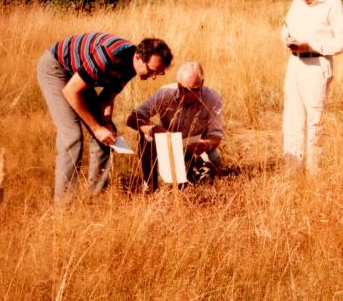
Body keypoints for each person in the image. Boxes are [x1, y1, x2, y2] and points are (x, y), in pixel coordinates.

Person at [36, 33, 173, 202]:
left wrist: (106, 123)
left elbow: (107, 97)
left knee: (107, 136)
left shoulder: (131, 67)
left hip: (78, 79)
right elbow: (71, 91)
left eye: (157, 74)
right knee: (72, 135)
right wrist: (96, 128)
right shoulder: (109, 54)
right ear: (138, 57)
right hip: (56, 68)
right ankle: (64, 207)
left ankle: (95, 198)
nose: (152, 77)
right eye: (151, 71)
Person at [281, 0, 343, 174]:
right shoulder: (297, 2)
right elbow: (286, 26)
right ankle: (292, 171)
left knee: (314, 121)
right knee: (292, 119)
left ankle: (314, 173)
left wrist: (311, 46)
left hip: (317, 65)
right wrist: (286, 39)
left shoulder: (333, 4)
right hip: (295, 64)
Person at [127, 61, 223, 192]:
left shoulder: (212, 98)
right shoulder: (166, 93)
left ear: (202, 83)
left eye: (195, 90)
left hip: (195, 150)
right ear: (178, 84)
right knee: (146, 137)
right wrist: (156, 130)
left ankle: (194, 186)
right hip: (168, 148)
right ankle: (150, 185)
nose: (189, 95)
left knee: (213, 160)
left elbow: (216, 135)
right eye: (184, 89)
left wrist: (206, 144)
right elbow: (134, 118)